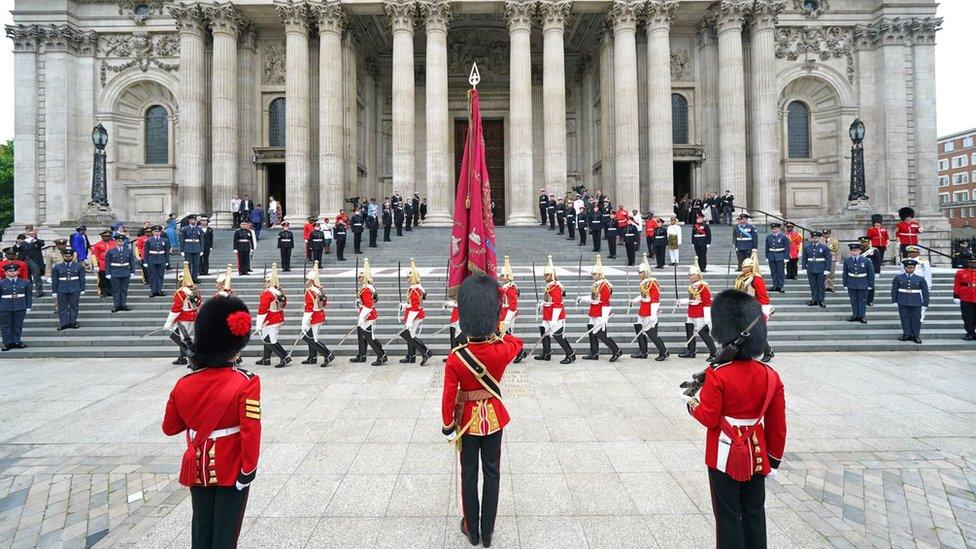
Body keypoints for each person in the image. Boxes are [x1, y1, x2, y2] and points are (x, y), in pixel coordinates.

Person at [684, 289, 786, 549]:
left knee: (728, 515)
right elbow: (777, 426)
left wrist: (690, 404)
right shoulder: (769, 374)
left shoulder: (719, 373)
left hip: (723, 453)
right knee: (754, 513)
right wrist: (772, 459)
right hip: (757, 454)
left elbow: (708, 417)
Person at [161, 294, 260, 549]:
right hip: (231, 467)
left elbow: (170, 428)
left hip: (197, 468)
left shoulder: (184, 383)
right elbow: (251, 431)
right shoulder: (246, 382)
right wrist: (248, 470)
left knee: (201, 531)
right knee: (225, 536)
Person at [441, 274, 523, 548]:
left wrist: (447, 425)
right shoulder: (501, 351)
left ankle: (471, 529)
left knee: (468, 474)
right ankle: (487, 531)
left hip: (466, 423)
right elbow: (517, 343)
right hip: (494, 420)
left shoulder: (456, 357)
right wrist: (499, 329)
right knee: (492, 474)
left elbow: (448, 396)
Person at [577, 255, 623, 361]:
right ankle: (594, 352)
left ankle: (616, 350)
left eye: (594, 273)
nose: (592, 275)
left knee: (601, 334)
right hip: (594, 311)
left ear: (599, 274)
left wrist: (604, 316)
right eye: (592, 273)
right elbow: (594, 299)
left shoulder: (604, 285)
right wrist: (582, 298)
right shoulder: (596, 285)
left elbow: (605, 302)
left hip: (600, 312)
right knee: (592, 332)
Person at [734, 251, 775, 362]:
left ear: (751, 268)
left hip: (753, 308)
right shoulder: (740, 278)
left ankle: (768, 351)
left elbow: (763, 297)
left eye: (745, 267)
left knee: (755, 331)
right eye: (742, 267)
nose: (743, 268)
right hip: (743, 307)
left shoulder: (756, 279)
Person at [533, 255, 574, 364]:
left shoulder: (555, 287)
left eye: (546, 275)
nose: (544, 276)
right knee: (543, 331)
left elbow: (556, 304)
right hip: (548, 315)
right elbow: (549, 301)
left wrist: (554, 320)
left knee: (558, 335)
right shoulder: (550, 286)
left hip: (555, 315)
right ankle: (547, 353)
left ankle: (570, 354)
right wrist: (542, 304)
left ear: (551, 275)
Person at [629, 254, 669, 361]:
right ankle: (643, 351)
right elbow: (643, 296)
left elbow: (655, 299)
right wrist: (633, 300)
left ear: (646, 272)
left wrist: (653, 314)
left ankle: (663, 351)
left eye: (641, 272)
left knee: (651, 333)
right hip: (642, 309)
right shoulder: (643, 283)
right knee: (639, 329)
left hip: (649, 310)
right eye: (639, 272)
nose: (639, 274)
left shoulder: (652, 282)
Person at [678, 259, 717, 360]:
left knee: (703, 334)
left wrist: (707, 317)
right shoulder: (693, 286)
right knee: (689, 331)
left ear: (698, 275)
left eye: (692, 275)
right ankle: (691, 351)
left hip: (700, 313)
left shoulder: (703, 286)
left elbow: (707, 302)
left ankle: (714, 353)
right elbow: (693, 300)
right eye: (689, 275)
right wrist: (682, 302)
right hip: (691, 312)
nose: (690, 276)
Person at [164, 264, 202, 366]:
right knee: (180, 338)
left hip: (184, 318)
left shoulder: (181, 293)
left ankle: (191, 360)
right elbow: (198, 304)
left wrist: (168, 322)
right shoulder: (196, 290)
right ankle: (182, 358)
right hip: (193, 317)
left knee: (183, 340)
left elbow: (176, 309)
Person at [255, 263, 291, 368]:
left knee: (271, 341)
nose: (265, 283)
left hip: (270, 320)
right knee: (266, 339)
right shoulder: (279, 293)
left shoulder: (268, 294)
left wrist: (258, 324)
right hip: (278, 318)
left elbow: (262, 310)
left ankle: (284, 357)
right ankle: (266, 359)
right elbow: (284, 304)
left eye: (266, 281)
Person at [398, 258, 433, 365]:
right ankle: (411, 356)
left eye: (408, 277)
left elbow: (415, 307)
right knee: (410, 335)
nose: (407, 279)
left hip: (415, 315)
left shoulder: (414, 289)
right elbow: (412, 304)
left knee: (409, 336)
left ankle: (425, 352)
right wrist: (404, 306)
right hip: (414, 313)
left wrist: (409, 320)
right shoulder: (416, 288)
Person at [352, 258, 387, 365]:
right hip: (366, 313)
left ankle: (381, 356)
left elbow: (368, 305)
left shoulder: (367, 288)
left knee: (369, 337)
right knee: (362, 334)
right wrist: (359, 305)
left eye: (360, 277)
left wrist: (362, 316)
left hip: (368, 315)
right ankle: (362, 355)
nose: (359, 279)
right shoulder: (367, 287)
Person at [301, 261, 335, 366]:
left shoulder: (310, 292)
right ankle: (312, 357)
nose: (307, 281)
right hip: (320, 315)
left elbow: (309, 308)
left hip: (313, 317)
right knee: (310, 337)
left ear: (311, 280)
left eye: (308, 279)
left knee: (312, 338)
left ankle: (328, 355)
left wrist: (305, 322)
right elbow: (324, 303)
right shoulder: (319, 290)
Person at [892, 258, 929, 343]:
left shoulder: (920, 279)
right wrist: (894, 300)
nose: (910, 269)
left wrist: (925, 303)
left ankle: (916, 335)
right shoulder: (898, 278)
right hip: (902, 300)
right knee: (904, 318)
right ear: (904, 268)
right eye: (908, 267)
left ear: (915, 268)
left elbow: (925, 292)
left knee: (916, 319)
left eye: (912, 267)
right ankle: (906, 334)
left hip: (916, 301)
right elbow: (894, 290)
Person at [0, 263, 32, 351]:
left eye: (14, 271)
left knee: (18, 325)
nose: (12, 273)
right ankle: (7, 343)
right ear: (5, 273)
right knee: (5, 325)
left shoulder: (25, 282)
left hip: (20, 306)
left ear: (18, 272)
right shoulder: (1, 283)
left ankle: (16, 341)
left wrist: (28, 306)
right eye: (10, 271)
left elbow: (28, 295)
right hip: (4, 307)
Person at [51, 249, 85, 330]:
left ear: (72, 256)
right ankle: (64, 323)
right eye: (66, 256)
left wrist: (82, 289)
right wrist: (54, 291)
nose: (68, 257)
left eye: (69, 256)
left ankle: (73, 322)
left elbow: (82, 279)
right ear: (62, 256)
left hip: (75, 288)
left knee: (74, 306)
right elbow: (55, 280)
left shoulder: (79, 266)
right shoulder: (57, 267)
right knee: (62, 307)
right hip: (61, 288)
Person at [842, 242, 875, 324]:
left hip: (863, 282)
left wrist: (871, 284)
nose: (854, 252)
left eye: (856, 250)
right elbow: (845, 273)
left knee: (862, 300)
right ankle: (855, 315)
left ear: (860, 251)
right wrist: (845, 283)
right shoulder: (847, 261)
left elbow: (871, 273)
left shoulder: (866, 260)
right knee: (853, 300)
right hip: (851, 282)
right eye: (852, 251)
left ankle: (861, 316)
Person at [901, 246, 933, 322]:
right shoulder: (904, 261)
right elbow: (901, 273)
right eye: (909, 252)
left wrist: (928, 285)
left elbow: (928, 274)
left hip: (920, 284)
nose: (910, 254)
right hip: (908, 283)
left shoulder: (923, 261)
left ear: (918, 253)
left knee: (921, 300)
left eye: (913, 252)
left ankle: (921, 315)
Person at [105, 234, 135, 313]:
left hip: (125, 272)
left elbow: (132, 262)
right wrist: (107, 273)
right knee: (116, 290)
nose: (120, 243)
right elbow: (107, 263)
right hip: (115, 272)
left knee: (124, 289)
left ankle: (123, 304)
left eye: (122, 241)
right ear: (115, 241)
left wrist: (132, 271)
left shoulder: (128, 251)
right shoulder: (111, 251)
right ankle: (116, 305)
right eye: (119, 241)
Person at [802, 231, 831, 308]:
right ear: (811, 238)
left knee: (821, 285)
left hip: (821, 268)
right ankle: (814, 300)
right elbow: (804, 258)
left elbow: (828, 259)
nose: (815, 239)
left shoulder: (824, 247)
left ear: (819, 238)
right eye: (813, 237)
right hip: (811, 268)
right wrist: (804, 267)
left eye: (816, 237)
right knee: (813, 285)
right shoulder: (807, 247)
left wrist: (827, 269)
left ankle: (821, 300)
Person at [17, 229, 45, 297]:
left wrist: (34, 239)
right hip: (24, 261)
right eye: (29, 234)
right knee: (27, 277)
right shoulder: (23, 242)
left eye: (32, 234)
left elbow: (42, 244)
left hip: (34, 261)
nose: (30, 235)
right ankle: (28, 291)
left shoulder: (38, 241)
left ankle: (39, 292)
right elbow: (15, 249)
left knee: (36, 276)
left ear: (35, 235)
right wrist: (18, 244)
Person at [954, 257, 976, 340]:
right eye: (972, 262)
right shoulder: (960, 273)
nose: (973, 263)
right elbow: (957, 284)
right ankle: (970, 333)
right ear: (968, 262)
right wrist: (956, 296)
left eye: (975, 262)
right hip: (966, 298)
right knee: (967, 317)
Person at [91, 230, 117, 298]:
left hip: (112, 265)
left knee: (111, 279)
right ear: (102, 237)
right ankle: (103, 291)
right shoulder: (97, 244)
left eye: (108, 236)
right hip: (102, 265)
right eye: (105, 236)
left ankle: (110, 291)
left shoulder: (114, 243)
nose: (107, 237)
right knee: (102, 280)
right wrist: (96, 265)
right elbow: (94, 255)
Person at [180, 214, 205, 283]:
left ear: (196, 221)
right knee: (188, 265)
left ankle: (195, 278)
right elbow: (182, 240)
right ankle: (189, 279)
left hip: (196, 248)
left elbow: (201, 240)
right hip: (187, 248)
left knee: (196, 265)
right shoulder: (184, 229)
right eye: (191, 220)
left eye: (194, 220)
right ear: (189, 220)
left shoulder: (199, 229)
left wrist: (201, 249)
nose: (193, 221)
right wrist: (182, 250)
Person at [764, 223, 788, 293]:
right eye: (773, 229)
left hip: (780, 256)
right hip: (771, 256)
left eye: (775, 229)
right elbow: (767, 247)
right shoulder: (769, 237)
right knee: (773, 272)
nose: (774, 230)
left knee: (780, 272)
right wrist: (767, 256)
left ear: (779, 229)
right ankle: (775, 286)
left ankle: (780, 286)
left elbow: (787, 248)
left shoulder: (783, 237)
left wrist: (786, 257)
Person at [822, 228, 841, 293]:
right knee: (824, 273)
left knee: (831, 273)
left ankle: (830, 286)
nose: (825, 235)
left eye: (826, 233)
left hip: (832, 258)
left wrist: (838, 260)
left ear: (829, 233)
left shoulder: (834, 240)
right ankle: (824, 285)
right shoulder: (821, 240)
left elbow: (838, 251)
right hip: (823, 259)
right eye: (824, 234)